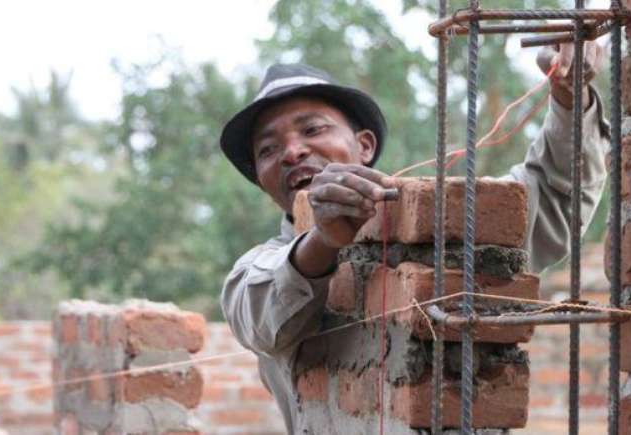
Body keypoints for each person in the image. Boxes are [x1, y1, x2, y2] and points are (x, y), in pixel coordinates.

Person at [219, 44, 608, 433]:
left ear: (365, 145)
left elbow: (554, 193)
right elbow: (264, 315)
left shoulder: (444, 220)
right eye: (268, 149)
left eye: (312, 129)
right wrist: (323, 239)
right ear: (262, 180)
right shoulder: (256, 273)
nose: (292, 151)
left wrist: (568, 94)